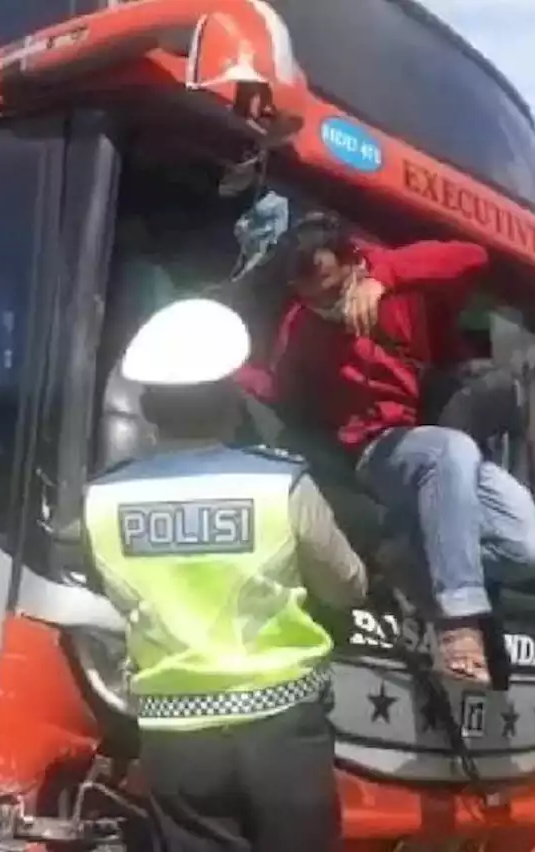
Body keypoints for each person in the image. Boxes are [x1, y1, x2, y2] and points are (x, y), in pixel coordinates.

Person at [84, 299, 367, 852]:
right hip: (281, 728)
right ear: (230, 402)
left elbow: (116, 594)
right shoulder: (277, 484)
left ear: (149, 409)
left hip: (175, 740)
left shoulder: (102, 499)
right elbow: (347, 584)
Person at [233, 213, 535, 687]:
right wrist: (228, 370)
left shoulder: (399, 284)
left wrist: (385, 278)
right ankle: (460, 624)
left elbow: (473, 257)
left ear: (353, 264)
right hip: (377, 453)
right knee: (448, 450)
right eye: (310, 295)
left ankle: (418, 552)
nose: (324, 303)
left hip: (445, 450)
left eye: (331, 287)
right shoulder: (301, 328)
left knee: (532, 551)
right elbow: (280, 391)